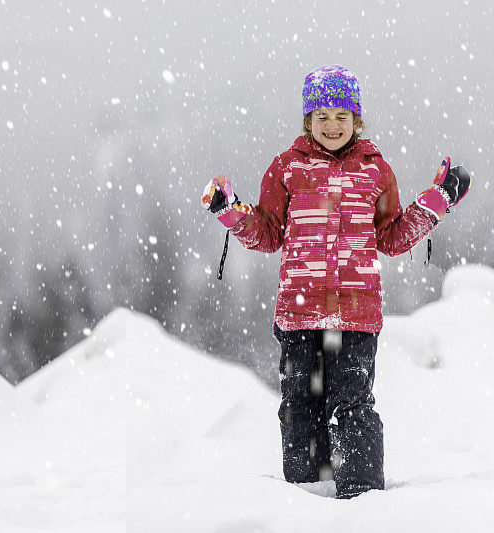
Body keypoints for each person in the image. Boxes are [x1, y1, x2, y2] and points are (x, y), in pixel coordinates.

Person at [201, 64, 470, 498]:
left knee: (353, 406)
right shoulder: (287, 168)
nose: (332, 125)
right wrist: (230, 210)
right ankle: (306, 499)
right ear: (308, 121)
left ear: (356, 120)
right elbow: (269, 232)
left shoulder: (375, 171)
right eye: (322, 116)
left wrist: (438, 201)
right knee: (299, 408)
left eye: (341, 116)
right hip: (300, 314)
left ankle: (361, 499)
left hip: (356, 315)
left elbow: (393, 236)